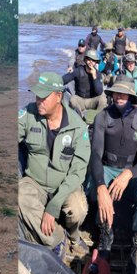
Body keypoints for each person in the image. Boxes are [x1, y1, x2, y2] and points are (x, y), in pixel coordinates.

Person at [87, 75, 137, 274]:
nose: (119, 96)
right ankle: (106, 233)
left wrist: (129, 173)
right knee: (97, 179)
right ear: (112, 94)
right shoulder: (102, 117)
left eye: (124, 92)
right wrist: (100, 186)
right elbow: (96, 156)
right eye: (116, 92)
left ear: (132, 96)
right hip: (107, 169)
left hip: (130, 174)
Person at [18, 72, 91, 260]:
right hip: (36, 182)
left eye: (44, 97)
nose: (38, 100)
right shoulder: (28, 114)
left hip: (64, 185)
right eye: (37, 95)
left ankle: (74, 235)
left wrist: (54, 205)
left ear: (58, 97)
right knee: (19, 196)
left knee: (78, 209)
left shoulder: (78, 127)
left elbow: (77, 172)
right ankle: (58, 238)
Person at [62, 49, 107, 115]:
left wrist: (94, 76)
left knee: (103, 99)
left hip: (92, 101)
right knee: (73, 99)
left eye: (93, 60)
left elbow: (99, 92)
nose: (91, 62)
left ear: (96, 62)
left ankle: (97, 118)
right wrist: (54, 82)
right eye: (89, 59)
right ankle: (79, 117)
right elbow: (64, 79)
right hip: (80, 100)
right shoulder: (78, 71)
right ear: (85, 60)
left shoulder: (98, 74)